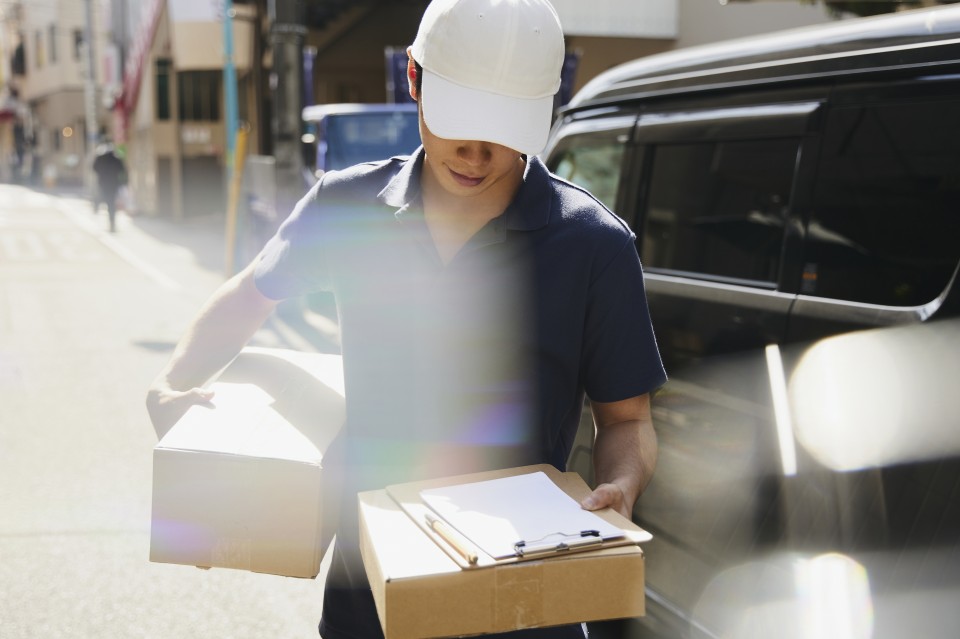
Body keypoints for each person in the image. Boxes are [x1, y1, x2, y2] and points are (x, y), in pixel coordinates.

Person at [146, 0, 666, 637]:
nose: (477, 154)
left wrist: (620, 482)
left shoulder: (593, 245)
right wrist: (171, 383)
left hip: (524, 594)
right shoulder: (346, 206)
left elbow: (627, 417)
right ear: (414, 80)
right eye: (461, 127)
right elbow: (251, 295)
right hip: (369, 592)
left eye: (502, 132)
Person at [92, 142, 125, 232]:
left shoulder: (100, 158)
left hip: (103, 183)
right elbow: (122, 169)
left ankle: (97, 206)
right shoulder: (116, 159)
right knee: (111, 203)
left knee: (105, 199)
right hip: (113, 184)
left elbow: (94, 168)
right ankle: (112, 222)